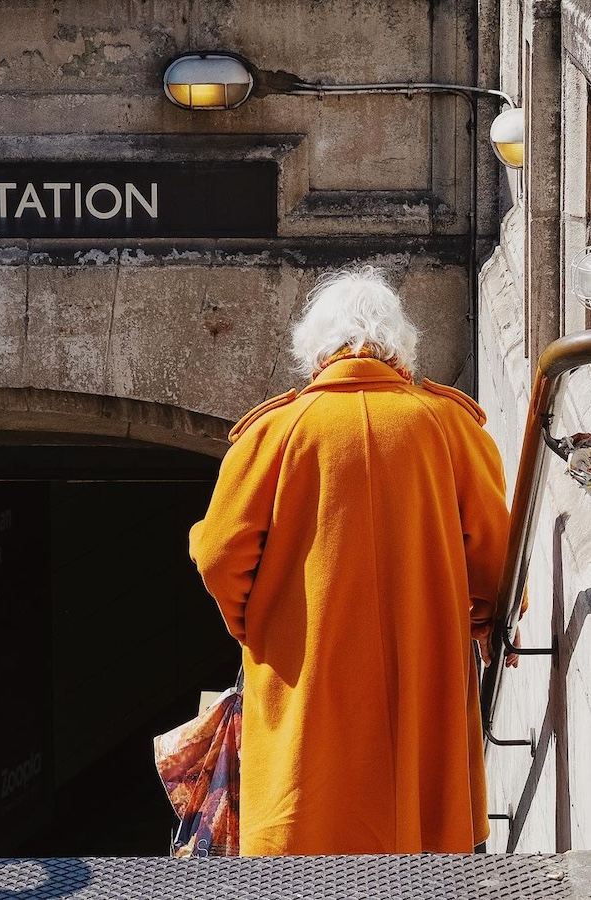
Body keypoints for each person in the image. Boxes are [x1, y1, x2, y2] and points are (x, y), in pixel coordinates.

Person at [189, 266, 512, 856]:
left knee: (302, 839)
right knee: (425, 843)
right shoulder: (448, 425)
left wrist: (255, 623)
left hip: (306, 685)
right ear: (400, 350)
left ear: (315, 354)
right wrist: (486, 621)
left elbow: (218, 554)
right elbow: (494, 548)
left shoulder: (275, 434)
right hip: (424, 679)